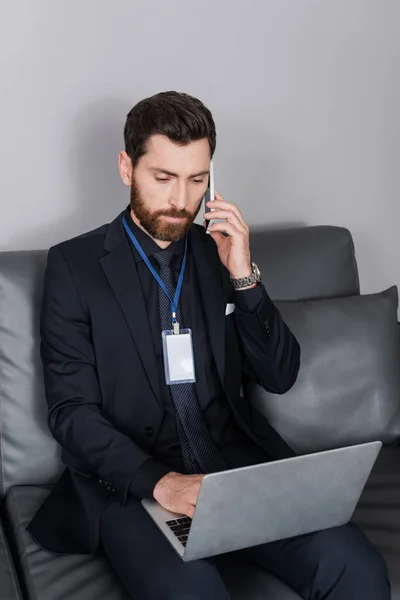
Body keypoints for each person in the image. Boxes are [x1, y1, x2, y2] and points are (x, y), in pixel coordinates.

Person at [27, 91, 390, 599]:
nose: (181, 199)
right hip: (135, 484)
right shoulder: (74, 267)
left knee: (356, 566)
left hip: (235, 466)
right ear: (127, 168)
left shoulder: (217, 253)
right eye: (164, 177)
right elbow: (71, 412)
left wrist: (244, 277)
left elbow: (280, 375)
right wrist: (161, 482)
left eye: (197, 180)